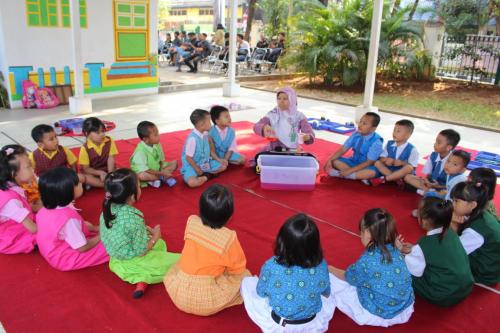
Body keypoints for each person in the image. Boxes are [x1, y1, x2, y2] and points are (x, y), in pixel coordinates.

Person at [164, 184, 251, 315]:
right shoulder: (228, 237)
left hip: (178, 292)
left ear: (200, 209)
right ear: (229, 216)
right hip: (206, 299)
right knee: (245, 276)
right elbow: (237, 268)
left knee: (179, 263)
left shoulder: (191, 221)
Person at [241, 213, 334, 332]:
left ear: (282, 242)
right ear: (315, 245)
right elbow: (326, 292)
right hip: (312, 323)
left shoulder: (272, 266)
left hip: (281, 325)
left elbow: (261, 292)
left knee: (247, 282)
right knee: (328, 291)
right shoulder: (321, 264)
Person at [99, 168, 180, 298]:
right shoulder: (134, 218)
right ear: (132, 195)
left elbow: (123, 230)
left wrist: (147, 231)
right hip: (135, 261)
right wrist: (155, 236)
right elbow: (141, 252)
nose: (140, 187)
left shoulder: (107, 210)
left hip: (116, 262)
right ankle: (143, 275)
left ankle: (141, 279)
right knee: (180, 261)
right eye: (138, 185)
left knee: (159, 244)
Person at [329, 209, 414, 327]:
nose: (360, 235)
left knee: (332, 280)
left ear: (368, 233)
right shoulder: (396, 249)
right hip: (403, 308)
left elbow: (348, 277)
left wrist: (330, 268)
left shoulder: (367, 261)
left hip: (378, 312)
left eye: (362, 231)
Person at [398, 197, 473, 306]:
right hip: (464, 288)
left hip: (442, 295)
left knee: (399, 269)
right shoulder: (451, 233)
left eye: (419, 212)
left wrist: (398, 251)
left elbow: (414, 271)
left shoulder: (425, 243)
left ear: (424, 220)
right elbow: (439, 254)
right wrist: (414, 250)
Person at [36, 167, 109, 271]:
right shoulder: (68, 219)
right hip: (65, 258)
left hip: (50, 250)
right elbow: (82, 247)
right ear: (67, 192)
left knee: (88, 229)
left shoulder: (44, 209)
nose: (81, 184)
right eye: (78, 183)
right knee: (112, 244)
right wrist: (100, 236)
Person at [451, 182, 500, 285]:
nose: (452, 204)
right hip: (490, 264)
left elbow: (454, 252)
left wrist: (453, 225)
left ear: (473, 205)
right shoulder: (479, 214)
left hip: (483, 273)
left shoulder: (475, 231)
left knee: (440, 261)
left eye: (456, 201)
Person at [324, 112, 383, 181]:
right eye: (360, 121)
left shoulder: (376, 141)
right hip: (353, 162)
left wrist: (350, 170)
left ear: (373, 128)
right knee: (334, 161)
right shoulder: (356, 134)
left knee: (372, 172)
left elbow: (369, 162)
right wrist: (330, 160)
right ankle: (359, 176)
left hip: (367, 166)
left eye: (364, 123)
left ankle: (345, 175)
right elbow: (343, 149)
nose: (360, 125)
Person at [0, 145, 37, 254]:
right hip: (12, 235)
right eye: (28, 166)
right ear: (13, 173)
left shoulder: (12, 185)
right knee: (47, 236)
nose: (33, 169)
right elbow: (33, 228)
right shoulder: (11, 201)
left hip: (18, 222)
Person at [254, 87, 315, 151]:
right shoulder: (273, 113)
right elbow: (257, 126)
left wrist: (308, 137)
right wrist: (263, 128)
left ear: (292, 100)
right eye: (279, 98)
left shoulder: (299, 116)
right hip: (274, 148)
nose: (281, 101)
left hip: (292, 149)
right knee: (261, 158)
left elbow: (308, 131)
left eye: (285, 99)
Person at [404, 129, 460, 193]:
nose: (435, 144)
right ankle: (429, 192)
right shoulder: (433, 155)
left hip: (443, 187)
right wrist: (427, 181)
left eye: (439, 143)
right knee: (407, 177)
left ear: (449, 147)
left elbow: (453, 184)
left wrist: (438, 186)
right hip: (430, 184)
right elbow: (428, 174)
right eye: (436, 141)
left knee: (451, 191)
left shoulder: (454, 161)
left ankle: (426, 192)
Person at [365, 120, 419, 187]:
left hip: (402, 172)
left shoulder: (412, 149)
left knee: (408, 168)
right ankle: (396, 179)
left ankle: (384, 179)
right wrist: (386, 160)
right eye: (394, 130)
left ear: (408, 135)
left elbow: (413, 168)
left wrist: (402, 163)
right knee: (377, 163)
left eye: (398, 131)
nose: (394, 133)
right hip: (389, 169)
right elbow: (381, 158)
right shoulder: (389, 144)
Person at [181, 109, 226, 188]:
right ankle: (208, 175)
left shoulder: (205, 134)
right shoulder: (192, 139)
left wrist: (219, 160)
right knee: (192, 183)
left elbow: (211, 151)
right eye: (209, 121)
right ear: (202, 125)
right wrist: (197, 169)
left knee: (223, 165)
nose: (211, 124)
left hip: (204, 163)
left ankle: (205, 176)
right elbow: (188, 158)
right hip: (192, 166)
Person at [130, 121, 177, 188]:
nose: (158, 136)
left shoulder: (157, 144)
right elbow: (146, 169)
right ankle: (160, 178)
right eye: (155, 135)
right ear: (146, 139)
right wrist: (162, 173)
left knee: (174, 163)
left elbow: (161, 160)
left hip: (157, 168)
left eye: (158, 133)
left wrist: (162, 170)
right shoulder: (140, 151)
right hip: (146, 171)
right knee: (140, 175)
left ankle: (156, 179)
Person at [78, 117, 118, 188]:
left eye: (103, 131)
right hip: (93, 172)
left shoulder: (109, 140)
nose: (102, 134)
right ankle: (107, 184)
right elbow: (86, 169)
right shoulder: (84, 148)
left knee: (122, 171)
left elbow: (111, 158)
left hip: (108, 169)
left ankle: (106, 182)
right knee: (85, 177)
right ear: (87, 134)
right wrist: (100, 173)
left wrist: (109, 174)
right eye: (97, 132)